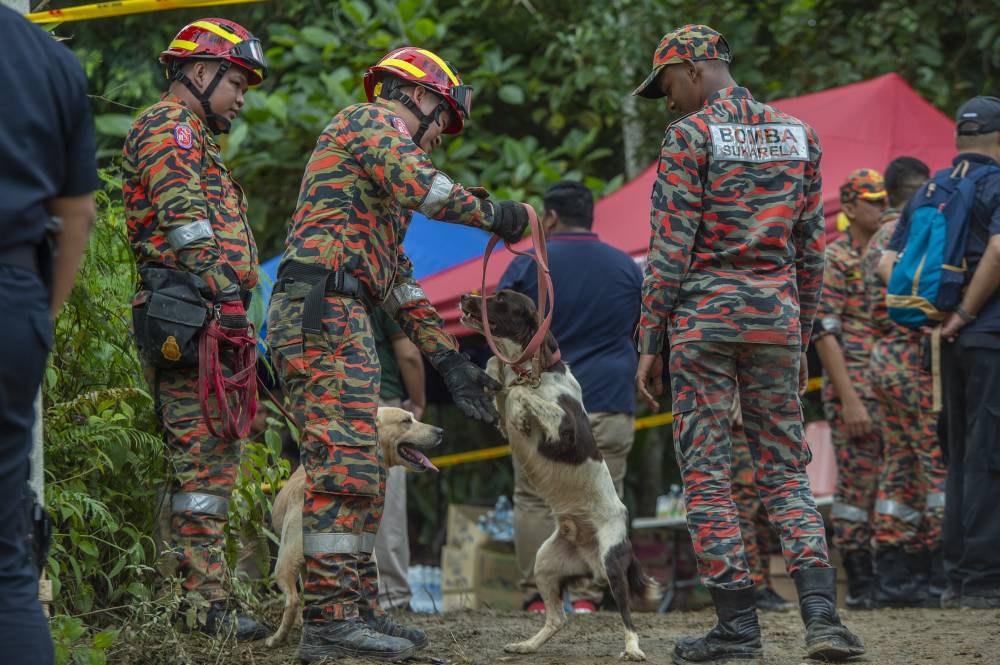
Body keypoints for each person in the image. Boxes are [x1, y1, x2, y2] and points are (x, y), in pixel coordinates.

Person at [266, 46, 528, 662]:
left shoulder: (380, 194)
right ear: (419, 96)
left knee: (363, 470)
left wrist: (452, 363)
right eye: (443, 120)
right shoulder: (370, 122)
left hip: (340, 311)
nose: (439, 136)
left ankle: (353, 610)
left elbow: (401, 283)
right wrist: (498, 214)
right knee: (342, 466)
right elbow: (429, 188)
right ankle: (330, 624)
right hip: (320, 311)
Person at [632, 24, 863, 664]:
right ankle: (822, 620)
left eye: (669, 84)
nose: (670, 99)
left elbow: (670, 250)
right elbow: (810, 249)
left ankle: (736, 629)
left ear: (698, 68)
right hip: (778, 319)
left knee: (707, 474)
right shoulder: (800, 135)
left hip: (703, 324)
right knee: (785, 472)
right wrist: (802, 330)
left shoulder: (690, 136)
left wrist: (649, 339)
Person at [122, 17, 270, 640]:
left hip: (206, 315)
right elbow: (185, 224)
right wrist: (222, 293)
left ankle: (200, 592)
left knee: (212, 460)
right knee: (202, 462)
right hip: (193, 312)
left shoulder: (192, 136)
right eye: (236, 81)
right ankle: (202, 603)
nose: (241, 96)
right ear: (201, 72)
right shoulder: (170, 129)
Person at [0, 8, 98, 663]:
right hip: (13, 298)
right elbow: (77, 211)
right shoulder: (49, 59)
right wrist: (42, 312)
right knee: (7, 562)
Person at [497, 180, 642, 615]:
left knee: (533, 497)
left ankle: (540, 599)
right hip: (609, 396)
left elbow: (497, 319)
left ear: (551, 218)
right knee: (605, 498)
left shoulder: (531, 264)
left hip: (544, 402)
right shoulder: (627, 267)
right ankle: (587, 598)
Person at [879, 96, 1000, 609]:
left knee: (958, 452)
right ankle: (983, 578)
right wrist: (967, 312)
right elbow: (999, 250)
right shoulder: (995, 184)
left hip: (944, 340)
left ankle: (956, 577)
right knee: (988, 455)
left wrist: (939, 315)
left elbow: (887, 262)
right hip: (988, 333)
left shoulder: (932, 186)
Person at [859, 156, 945, 608]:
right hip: (914, 360)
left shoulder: (876, 238)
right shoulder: (914, 233)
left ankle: (893, 572)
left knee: (898, 463)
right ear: (922, 191)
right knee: (935, 462)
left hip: (882, 362)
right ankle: (936, 570)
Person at [813, 168, 887, 608]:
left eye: (883, 199)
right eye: (872, 200)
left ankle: (888, 568)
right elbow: (825, 333)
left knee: (890, 481)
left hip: (887, 385)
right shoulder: (836, 258)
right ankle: (860, 580)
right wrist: (850, 399)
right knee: (858, 484)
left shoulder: (885, 251)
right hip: (853, 387)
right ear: (851, 206)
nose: (880, 206)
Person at [370, 307, 426, 611]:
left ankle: (342, 593)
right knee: (386, 503)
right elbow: (409, 354)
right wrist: (417, 401)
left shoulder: (310, 270)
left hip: (328, 402)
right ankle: (391, 595)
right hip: (382, 406)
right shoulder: (380, 283)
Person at [729, 395, 793, 613]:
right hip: (735, 425)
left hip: (761, 422)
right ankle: (753, 585)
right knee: (744, 508)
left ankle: (763, 584)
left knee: (761, 510)